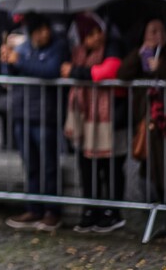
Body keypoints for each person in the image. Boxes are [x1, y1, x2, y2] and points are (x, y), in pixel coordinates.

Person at [117, 18, 166, 239]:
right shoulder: (142, 54)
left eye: (160, 31)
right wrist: (140, 53)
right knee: (156, 173)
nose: (156, 35)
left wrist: (161, 67)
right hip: (150, 123)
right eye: (151, 31)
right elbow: (123, 74)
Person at [1, 13, 70, 232]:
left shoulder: (58, 47)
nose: (43, 35)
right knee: (30, 164)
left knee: (48, 164)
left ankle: (52, 210)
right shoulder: (24, 48)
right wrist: (7, 60)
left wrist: (19, 61)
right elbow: (11, 74)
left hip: (45, 114)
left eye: (45, 29)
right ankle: (34, 207)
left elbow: (49, 71)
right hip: (23, 112)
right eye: (38, 31)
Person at [61, 13, 127, 233]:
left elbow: (108, 72)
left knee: (111, 166)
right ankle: (91, 209)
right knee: (87, 165)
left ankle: (113, 211)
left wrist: (77, 72)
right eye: (89, 35)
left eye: (97, 32)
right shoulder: (78, 53)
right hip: (86, 119)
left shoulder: (113, 46)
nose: (95, 37)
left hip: (111, 117)